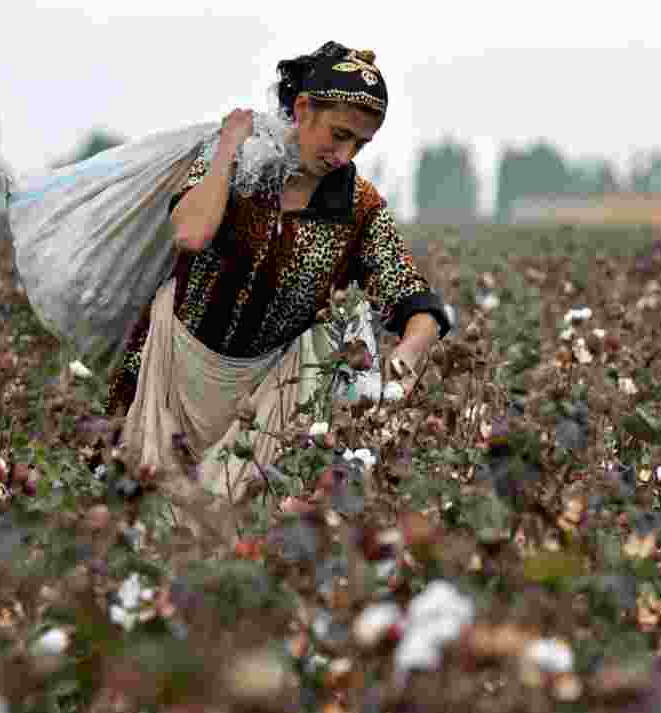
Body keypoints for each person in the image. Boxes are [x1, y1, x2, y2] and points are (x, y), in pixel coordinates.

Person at [104, 41, 451, 519]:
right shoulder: (237, 166)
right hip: (172, 368)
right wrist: (227, 148)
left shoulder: (357, 206)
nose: (344, 154)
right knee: (142, 521)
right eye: (339, 134)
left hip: (265, 397)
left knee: (233, 528)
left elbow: (414, 299)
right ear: (304, 109)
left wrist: (408, 355)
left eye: (360, 145)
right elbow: (190, 233)